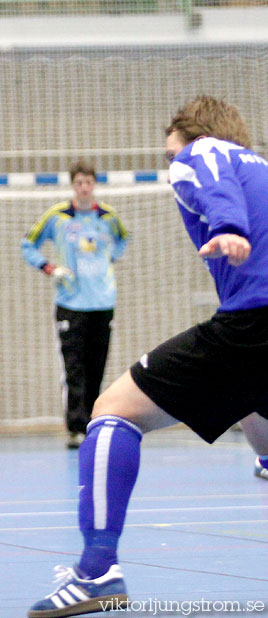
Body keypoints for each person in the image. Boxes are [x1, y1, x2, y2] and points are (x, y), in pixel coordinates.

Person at [27, 95, 268, 617]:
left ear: (194, 135)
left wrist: (228, 226)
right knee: (253, 405)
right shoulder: (263, 171)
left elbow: (210, 180)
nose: (170, 164)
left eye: (169, 152)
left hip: (255, 320)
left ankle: (96, 572)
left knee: (113, 409)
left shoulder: (204, 153)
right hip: (259, 337)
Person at [21, 161, 128, 449]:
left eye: (88, 182)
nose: (84, 187)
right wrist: (49, 267)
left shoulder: (108, 217)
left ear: (94, 184)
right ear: (73, 185)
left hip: (102, 302)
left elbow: (122, 239)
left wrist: (108, 261)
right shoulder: (56, 217)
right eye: (79, 182)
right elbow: (28, 244)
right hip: (70, 303)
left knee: (97, 365)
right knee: (74, 367)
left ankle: (93, 421)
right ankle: (75, 427)